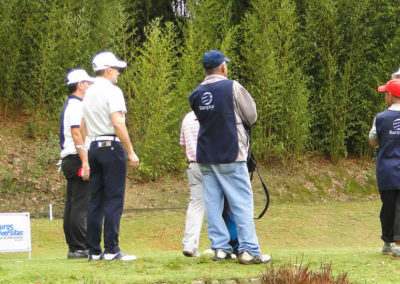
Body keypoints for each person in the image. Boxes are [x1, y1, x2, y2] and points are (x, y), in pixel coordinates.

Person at [189, 50, 270, 264]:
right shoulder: (232, 86)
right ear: (223, 67)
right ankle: (249, 250)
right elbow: (251, 115)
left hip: (206, 154)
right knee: (242, 202)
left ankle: (220, 248)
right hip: (231, 152)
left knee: (213, 203)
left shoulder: (196, 93)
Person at [81, 51, 140, 261]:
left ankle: (94, 250)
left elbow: (82, 125)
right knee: (114, 199)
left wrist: (87, 149)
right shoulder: (112, 91)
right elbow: (117, 122)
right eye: (116, 69)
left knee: (95, 199)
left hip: (94, 146)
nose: (118, 74)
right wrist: (131, 151)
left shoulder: (87, 92)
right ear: (108, 70)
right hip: (111, 145)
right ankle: (112, 249)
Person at [180, 111, 239, 258]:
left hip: (193, 164)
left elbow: (184, 145)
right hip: (212, 165)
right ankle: (221, 246)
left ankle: (189, 244)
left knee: (196, 205)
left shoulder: (187, 118)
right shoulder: (213, 116)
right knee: (217, 206)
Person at [59, 68, 94, 259]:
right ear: (80, 85)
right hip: (77, 157)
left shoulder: (71, 105)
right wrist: (86, 161)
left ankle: (74, 247)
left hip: (70, 158)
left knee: (72, 205)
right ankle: (81, 246)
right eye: (87, 83)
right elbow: (76, 133)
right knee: (81, 204)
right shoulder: (77, 106)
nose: (89, 86)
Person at [369, 79, 400, 260]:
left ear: (390, 95)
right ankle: (396, 245)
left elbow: (373, 141)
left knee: (388, 206)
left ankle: (389, 243)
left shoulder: (380, 118)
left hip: (386, 170)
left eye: (385, 94)